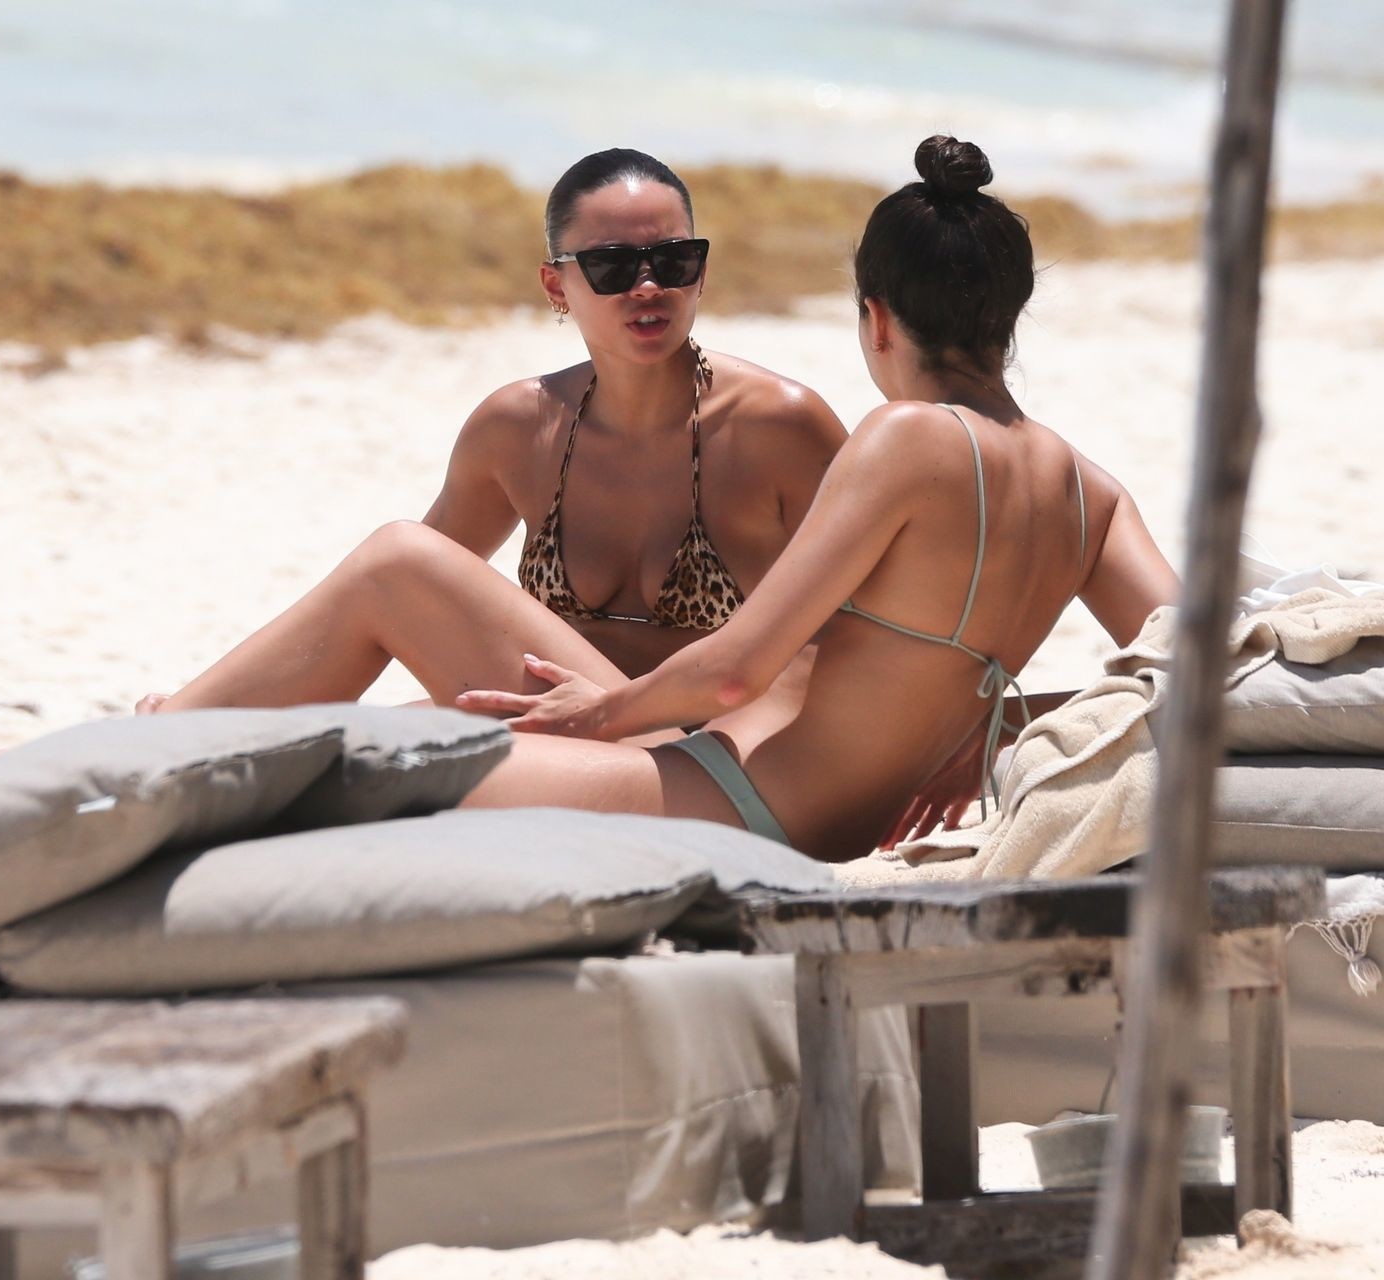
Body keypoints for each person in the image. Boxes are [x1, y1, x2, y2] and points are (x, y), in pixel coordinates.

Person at [0, 148, 849, 803]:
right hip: (565, 741)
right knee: (262, 725)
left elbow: (898, 615)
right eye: (613, 265)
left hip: (702, 762)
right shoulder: (519, 429)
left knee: (391, 565)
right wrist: (228, 709)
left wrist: (940, 743)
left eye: (674, 259)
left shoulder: (777, 425)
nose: (649, 286)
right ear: (555, 288)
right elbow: (377, 624)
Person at [448, 136, 1180, 860]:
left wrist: (598, 714)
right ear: (1014, 310)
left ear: (877, 319)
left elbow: (735, 673)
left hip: (734, 797)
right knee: (421, 735)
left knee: (402, 759)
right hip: (836, 823)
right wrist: (1009, 728)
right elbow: (1196, 679)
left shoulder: (905, 438)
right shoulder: (1093, 496)